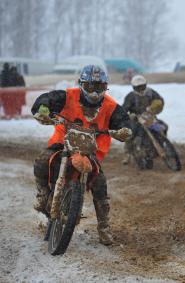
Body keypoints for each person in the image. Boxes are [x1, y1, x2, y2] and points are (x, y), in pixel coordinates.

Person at [32, 65, 131, 245]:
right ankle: (42, 194)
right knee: (41, 160)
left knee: (100, 182)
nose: (94, 93)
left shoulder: (111, 106)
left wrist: (124, 130)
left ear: (105, 87)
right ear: (82, 84)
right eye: (90, 86)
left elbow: (124, 121)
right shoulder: (67, 96)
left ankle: (104, 226)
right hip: (62, 143)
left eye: (99, 87)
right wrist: (43, 109)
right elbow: (46, 99)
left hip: (90, 150)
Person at [121, 74, 166, 165]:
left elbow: (160, 100)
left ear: (145, 85)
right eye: (138, 87)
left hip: (149, 117)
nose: (141, 89)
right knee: (130, 133)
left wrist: (154, 107)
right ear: (134, 87)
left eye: (142, 86)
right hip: (136, 119)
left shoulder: (151, 92)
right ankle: (127, 154)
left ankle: (165, 146)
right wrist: (130, 115)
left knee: (164, 127)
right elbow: (124, 109)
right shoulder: (130, 96)